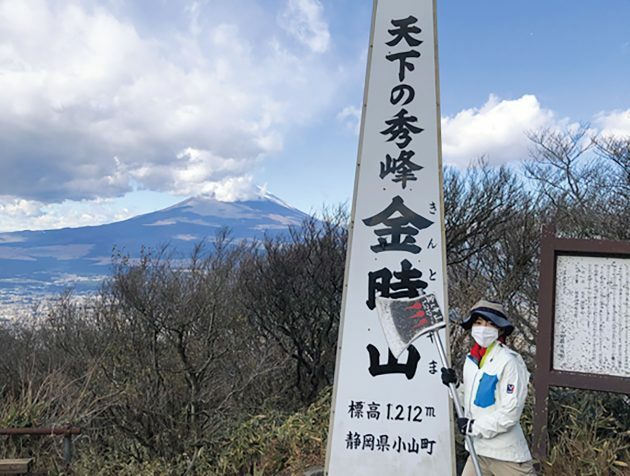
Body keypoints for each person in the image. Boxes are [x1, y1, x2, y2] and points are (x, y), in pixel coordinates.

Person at [441, 300, 536, 476]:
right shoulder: (471, 359)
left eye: (490, 324)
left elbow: (510, 413)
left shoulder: (510, 361)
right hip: (477, 450)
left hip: (506, 454)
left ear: (500, 330)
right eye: (478, 323)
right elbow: (471, 401)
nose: (483, 328)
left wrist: (473, 427)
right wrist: (454, 386)